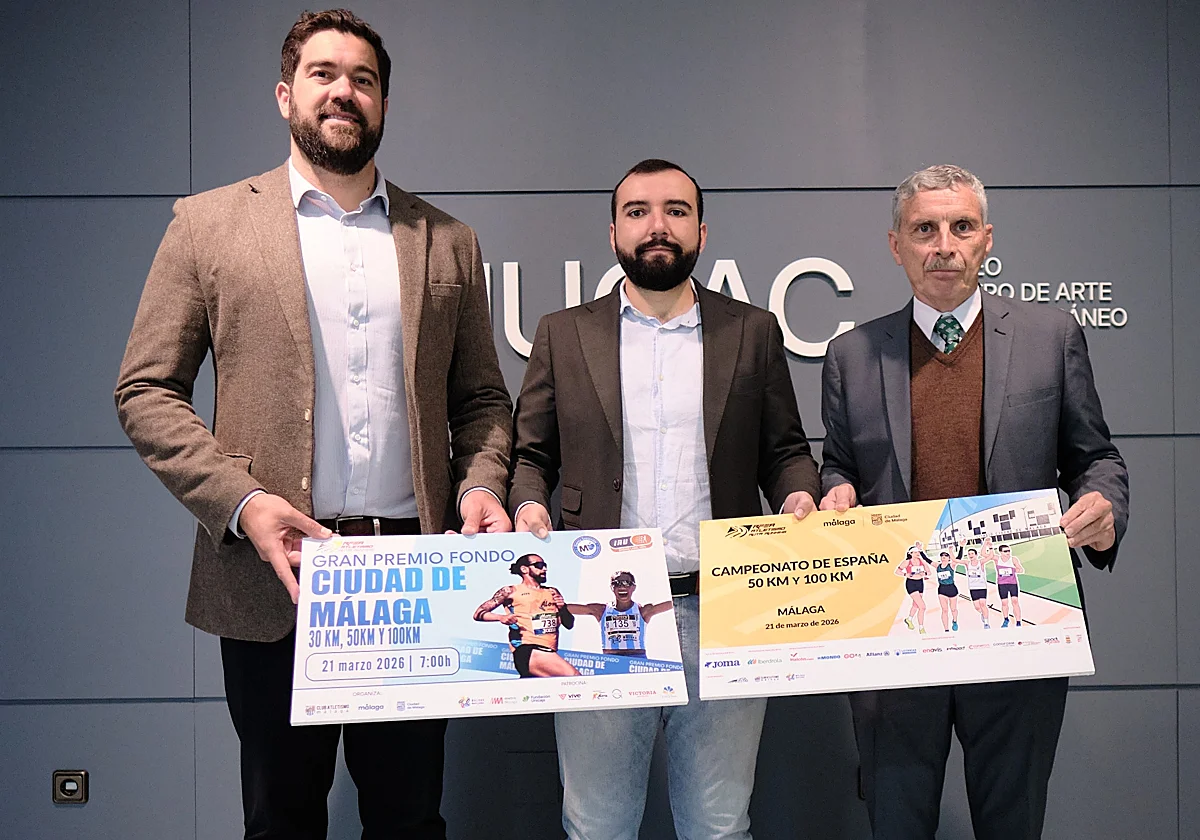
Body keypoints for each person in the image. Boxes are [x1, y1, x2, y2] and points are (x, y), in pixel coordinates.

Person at [114, 10, 512, 839]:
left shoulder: (447, 240)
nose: (344, 91)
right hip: (275, 580)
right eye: (325, 74)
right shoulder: (209, 224)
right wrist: (242, 503)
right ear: (285, 94)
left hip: (409, 577)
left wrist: (479, 484)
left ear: (384, 105)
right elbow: (147, 389)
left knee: (409, 819)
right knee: (282, 821)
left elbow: (480, 401)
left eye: (363, 79)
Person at [509, 158, 821, 840]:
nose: (658, 225)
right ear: (613, 231)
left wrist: (800, 495)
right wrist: (529, 505)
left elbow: (786, 453)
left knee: (718, 825)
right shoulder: (564, 334)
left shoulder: (753, 331)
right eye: (639, 211)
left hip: (728, 607)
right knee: (596, 826)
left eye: (677, 211)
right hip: (598, 614)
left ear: (702, 231)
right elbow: (530, 456)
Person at [819, 164, 1128, 839]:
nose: (944, 244)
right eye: (924, 229)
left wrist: (1103, 508)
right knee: (896, 824)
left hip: (1018, 619)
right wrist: (834, 491)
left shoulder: (1052, 338)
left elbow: (1096, 458)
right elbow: (838, 466)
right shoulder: (850, 355)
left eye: (961, 227)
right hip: (895, 633)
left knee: (1011, 823)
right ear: (895, 244)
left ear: (987, 240)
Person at [473, 553, 578, 676]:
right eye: (538, 565)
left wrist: (563, 608)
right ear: (524, 569)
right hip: (527, 648)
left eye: (545, 565)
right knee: (574, 678)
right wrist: (501, 617)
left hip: (549, 650)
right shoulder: (510, 591)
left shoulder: (552, 591)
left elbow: (569, 624)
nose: (544, 569)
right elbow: (478, 613)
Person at [567, 570, 674, 656]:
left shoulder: (642, 611)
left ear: (633, 587)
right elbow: (568, 608)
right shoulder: (601, 610)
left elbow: (671, 604)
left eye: (626, 583)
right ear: (611, 588)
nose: (622, 586)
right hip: (611, 659)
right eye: (616, 583)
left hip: (637, 660)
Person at [896, 542, 933, 633]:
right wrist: (906, 574)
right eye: (915, 552)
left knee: (915, 605)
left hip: (920, 583)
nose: (918, 553)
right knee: (922, 607)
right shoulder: (906, 562)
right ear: (910, 553)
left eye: (918, 552)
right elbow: (897, 571)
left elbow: (929, 572)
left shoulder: (922, 561)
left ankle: (909, 619)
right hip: (911, 584)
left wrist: (924, 574)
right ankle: (921, 628)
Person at [960, 546, 993, 629]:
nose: (970, 555)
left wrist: (990, 547)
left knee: (983, 604)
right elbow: (955, 560)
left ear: (976, 555)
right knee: (977, 607)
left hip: (981, 586)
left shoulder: (980, 562)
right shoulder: (967, 563)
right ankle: (982, 613)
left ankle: (986, 623)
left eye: (972, 553)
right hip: (972, 588)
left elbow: (990, 556)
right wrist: (959, 547)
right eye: (969, 554)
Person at [994, 545, 1026, 627]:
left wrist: (1015, 570)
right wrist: (989, 546)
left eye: (1009, 550)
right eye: (1005, 551)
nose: (1008, 552)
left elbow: (1021, 569)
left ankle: (1018, 622)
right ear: (1000, 552)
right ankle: (1006, 619)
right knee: (1004, 603)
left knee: (1015, 601)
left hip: (1012, 583)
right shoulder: (997, 559)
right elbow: (984, 554)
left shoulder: (1013, 559)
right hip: (1002, 584)